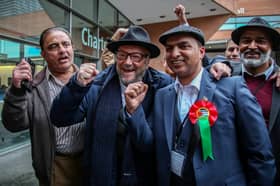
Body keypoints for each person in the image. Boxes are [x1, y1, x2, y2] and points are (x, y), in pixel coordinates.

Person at [124, 24, 276, 185]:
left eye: (183, 46)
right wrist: (134, 111)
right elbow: (149, 144)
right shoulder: (162, 95)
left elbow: (260, 154)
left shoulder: (233, 88)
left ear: (201, 52)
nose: (174, 54)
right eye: (169, 49)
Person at [50, 25, 173, 186]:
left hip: (143, 178)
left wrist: (134, 112)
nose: (127, 62)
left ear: (147, 59)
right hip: (102, 177)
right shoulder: (97, 84)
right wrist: (76, 86)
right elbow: (60, 118)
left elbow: (149, 144)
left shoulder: (162, 86)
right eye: (122, 55)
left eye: (135, 56)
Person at [1, 27, 94, 186]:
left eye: (66, 44)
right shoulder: (33, 87)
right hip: (54, 165)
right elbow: (14, 125)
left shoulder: (92, 81)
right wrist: (16, 91)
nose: (62, 50)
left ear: (72, 48)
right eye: (53, 46)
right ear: (43, 54)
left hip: (91, 161)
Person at [231, 16, 280, 185]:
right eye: (246, 40)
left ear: (271, 46)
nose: (252, 46)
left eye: (260, 40)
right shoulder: (223, 76)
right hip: (231, 173)